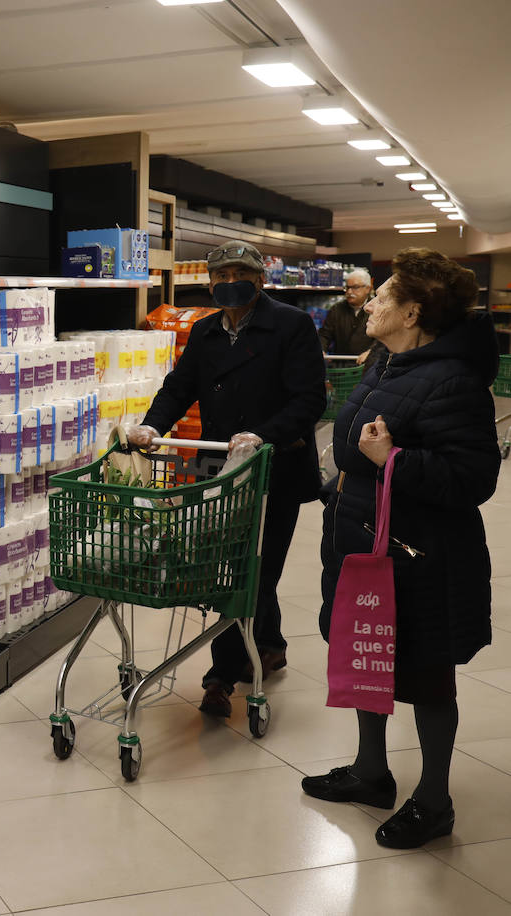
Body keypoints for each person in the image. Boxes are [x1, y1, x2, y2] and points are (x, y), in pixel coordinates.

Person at [300, 248, 498, 849]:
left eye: (385, 295)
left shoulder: (454, 381)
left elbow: (474, 478)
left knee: (427, 673)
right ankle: (370, 772)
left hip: (424, 558)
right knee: (370, 655)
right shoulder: (385, 362)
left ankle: (434, 800)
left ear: (412, 312)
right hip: (364, 542)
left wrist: (395, 461)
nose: (372, 302)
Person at [128, 241, 326, 717]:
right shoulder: (204, 331)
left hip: (274, 466)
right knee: (238, 565)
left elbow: (308, 401)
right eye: (219, 276)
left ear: (260, 280)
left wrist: (262, 434)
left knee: (256, 568)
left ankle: (225, 673)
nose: (227, 282)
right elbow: (180, 387)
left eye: (238, 273)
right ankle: (258, 652)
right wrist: (153, 424)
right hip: (218, 467)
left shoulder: (291, 325)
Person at [319, 268, 380, 367]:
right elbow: (325, 334)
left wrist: (372, 351)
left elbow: (383, 337)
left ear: (368, 288)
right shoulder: (336, 309)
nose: (349, 291)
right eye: (347, 287)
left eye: (355, 287)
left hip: (366, 366)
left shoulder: (377, 309)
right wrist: (321, 349)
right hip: (340, 367)